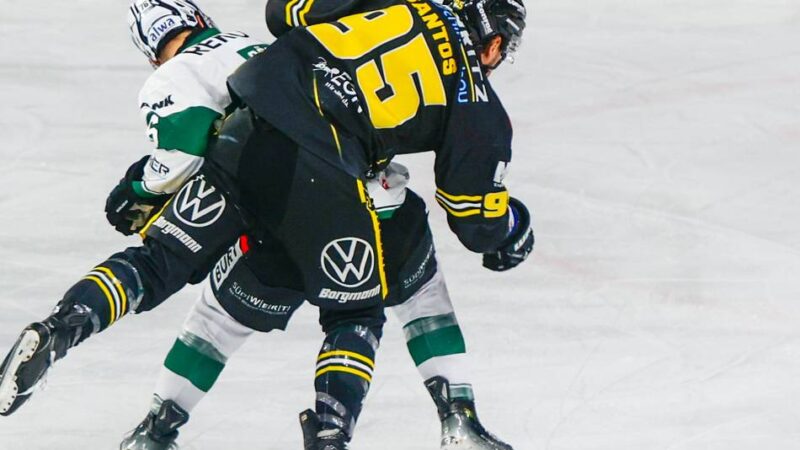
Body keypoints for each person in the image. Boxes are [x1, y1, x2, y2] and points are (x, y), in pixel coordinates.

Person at [0, 0, 533, 448]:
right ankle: (358, 433)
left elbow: (285, 11)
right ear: (492, 43)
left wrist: (140, 188)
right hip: (330, 172)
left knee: (160, 264)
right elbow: (474, 215)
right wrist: (511, 230)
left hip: (248, 128)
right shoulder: (474, 95)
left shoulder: (402, 2)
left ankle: (69, 334)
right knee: (357, 310)